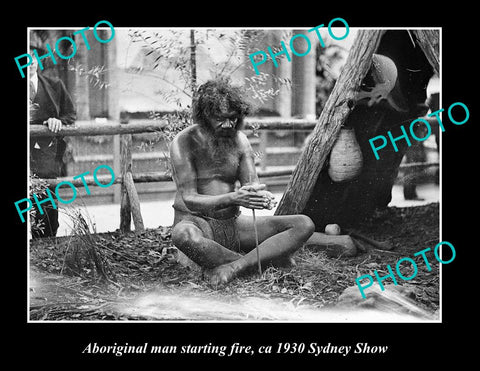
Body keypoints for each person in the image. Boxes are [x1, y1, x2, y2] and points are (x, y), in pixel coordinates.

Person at [170, 79, 356, 288]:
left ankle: (236, 266)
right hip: (197, 222)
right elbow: (190, 199)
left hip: (234, 223)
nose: (229, 125)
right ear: (204, 117)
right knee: (182, 235)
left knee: (303, 224)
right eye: (221, 119)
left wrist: (258, 196)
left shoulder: (240, 141)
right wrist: (233, 197)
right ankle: (264, 261)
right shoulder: (183, 142)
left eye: (233, 119)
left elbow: (252, 184)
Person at [29, 44, 76, 237]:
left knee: (45, 202)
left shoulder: (54, 85)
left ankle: (46, 245)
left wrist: (57, 121)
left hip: (44, 154)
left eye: (30, 58)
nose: (28, 63)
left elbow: (70, 114)